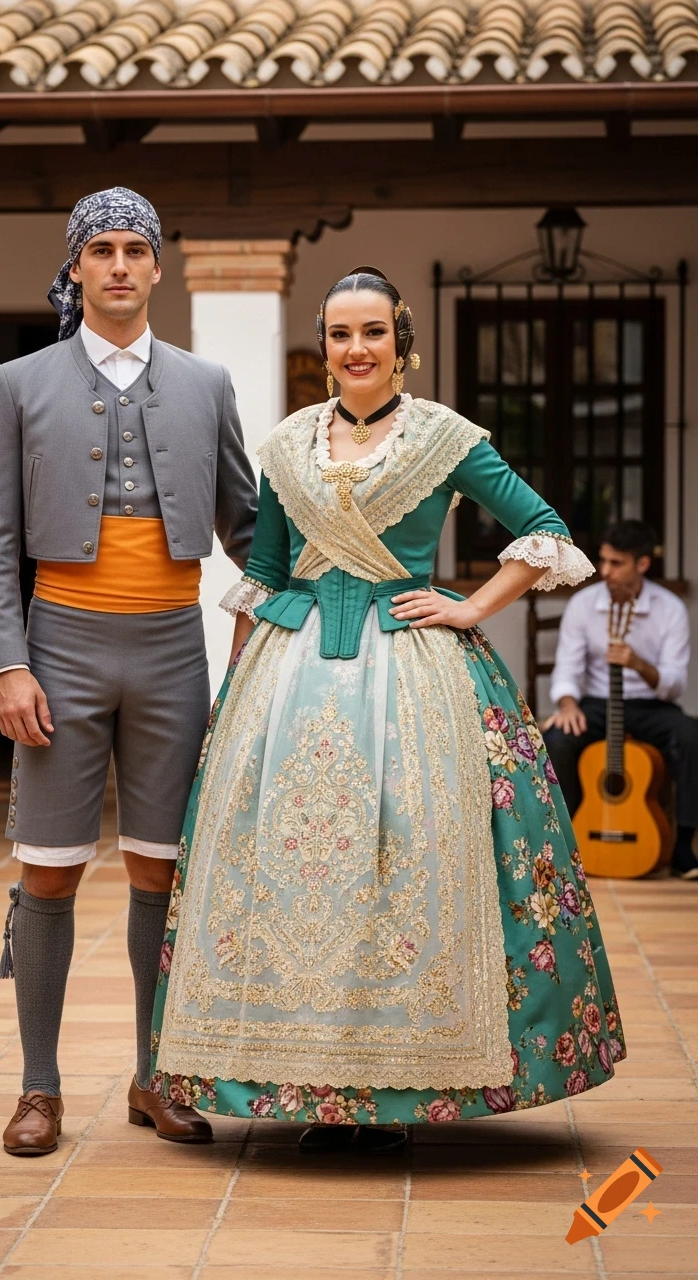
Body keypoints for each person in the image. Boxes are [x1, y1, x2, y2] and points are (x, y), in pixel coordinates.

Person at [149, 266, 627, 1152]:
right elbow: (269, 571)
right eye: (339, 334)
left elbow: (545, 530)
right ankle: (308, 1088)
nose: (355, 350)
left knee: (409, 861)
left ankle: (394, 1097)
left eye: (373, 332)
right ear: (325, 345)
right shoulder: (291, 440)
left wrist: (473, 607)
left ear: (400, 341)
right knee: (297, 876)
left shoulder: (446, 436)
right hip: (292, 680)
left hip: (411, 673)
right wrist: (236, 699)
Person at [0, 187, 257, 1155]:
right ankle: (38, 1088)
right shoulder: (18, 382)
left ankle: (154, 1075)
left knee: (161, 873)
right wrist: (8, 662)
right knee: (45, 872)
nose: (122, 265)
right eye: (104, 251)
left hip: (174, 648)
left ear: (159, 267)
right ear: (77, 267)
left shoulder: (206, 382)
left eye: (138, 249)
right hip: (60, 648)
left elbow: (247, 529)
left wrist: (303, 594)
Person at [544, 521, 697, 879]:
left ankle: (683, 847)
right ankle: (570, 840)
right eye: (604, 561)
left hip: (650, 704)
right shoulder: (583, 605)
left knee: (691, 737)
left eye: (616, 563)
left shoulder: (670, 609)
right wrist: (567, 704)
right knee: (557, 741)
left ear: (642, 564)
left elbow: (674, 684)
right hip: (598, 702)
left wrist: (639, 664)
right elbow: (567, 668)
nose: (605, 572)